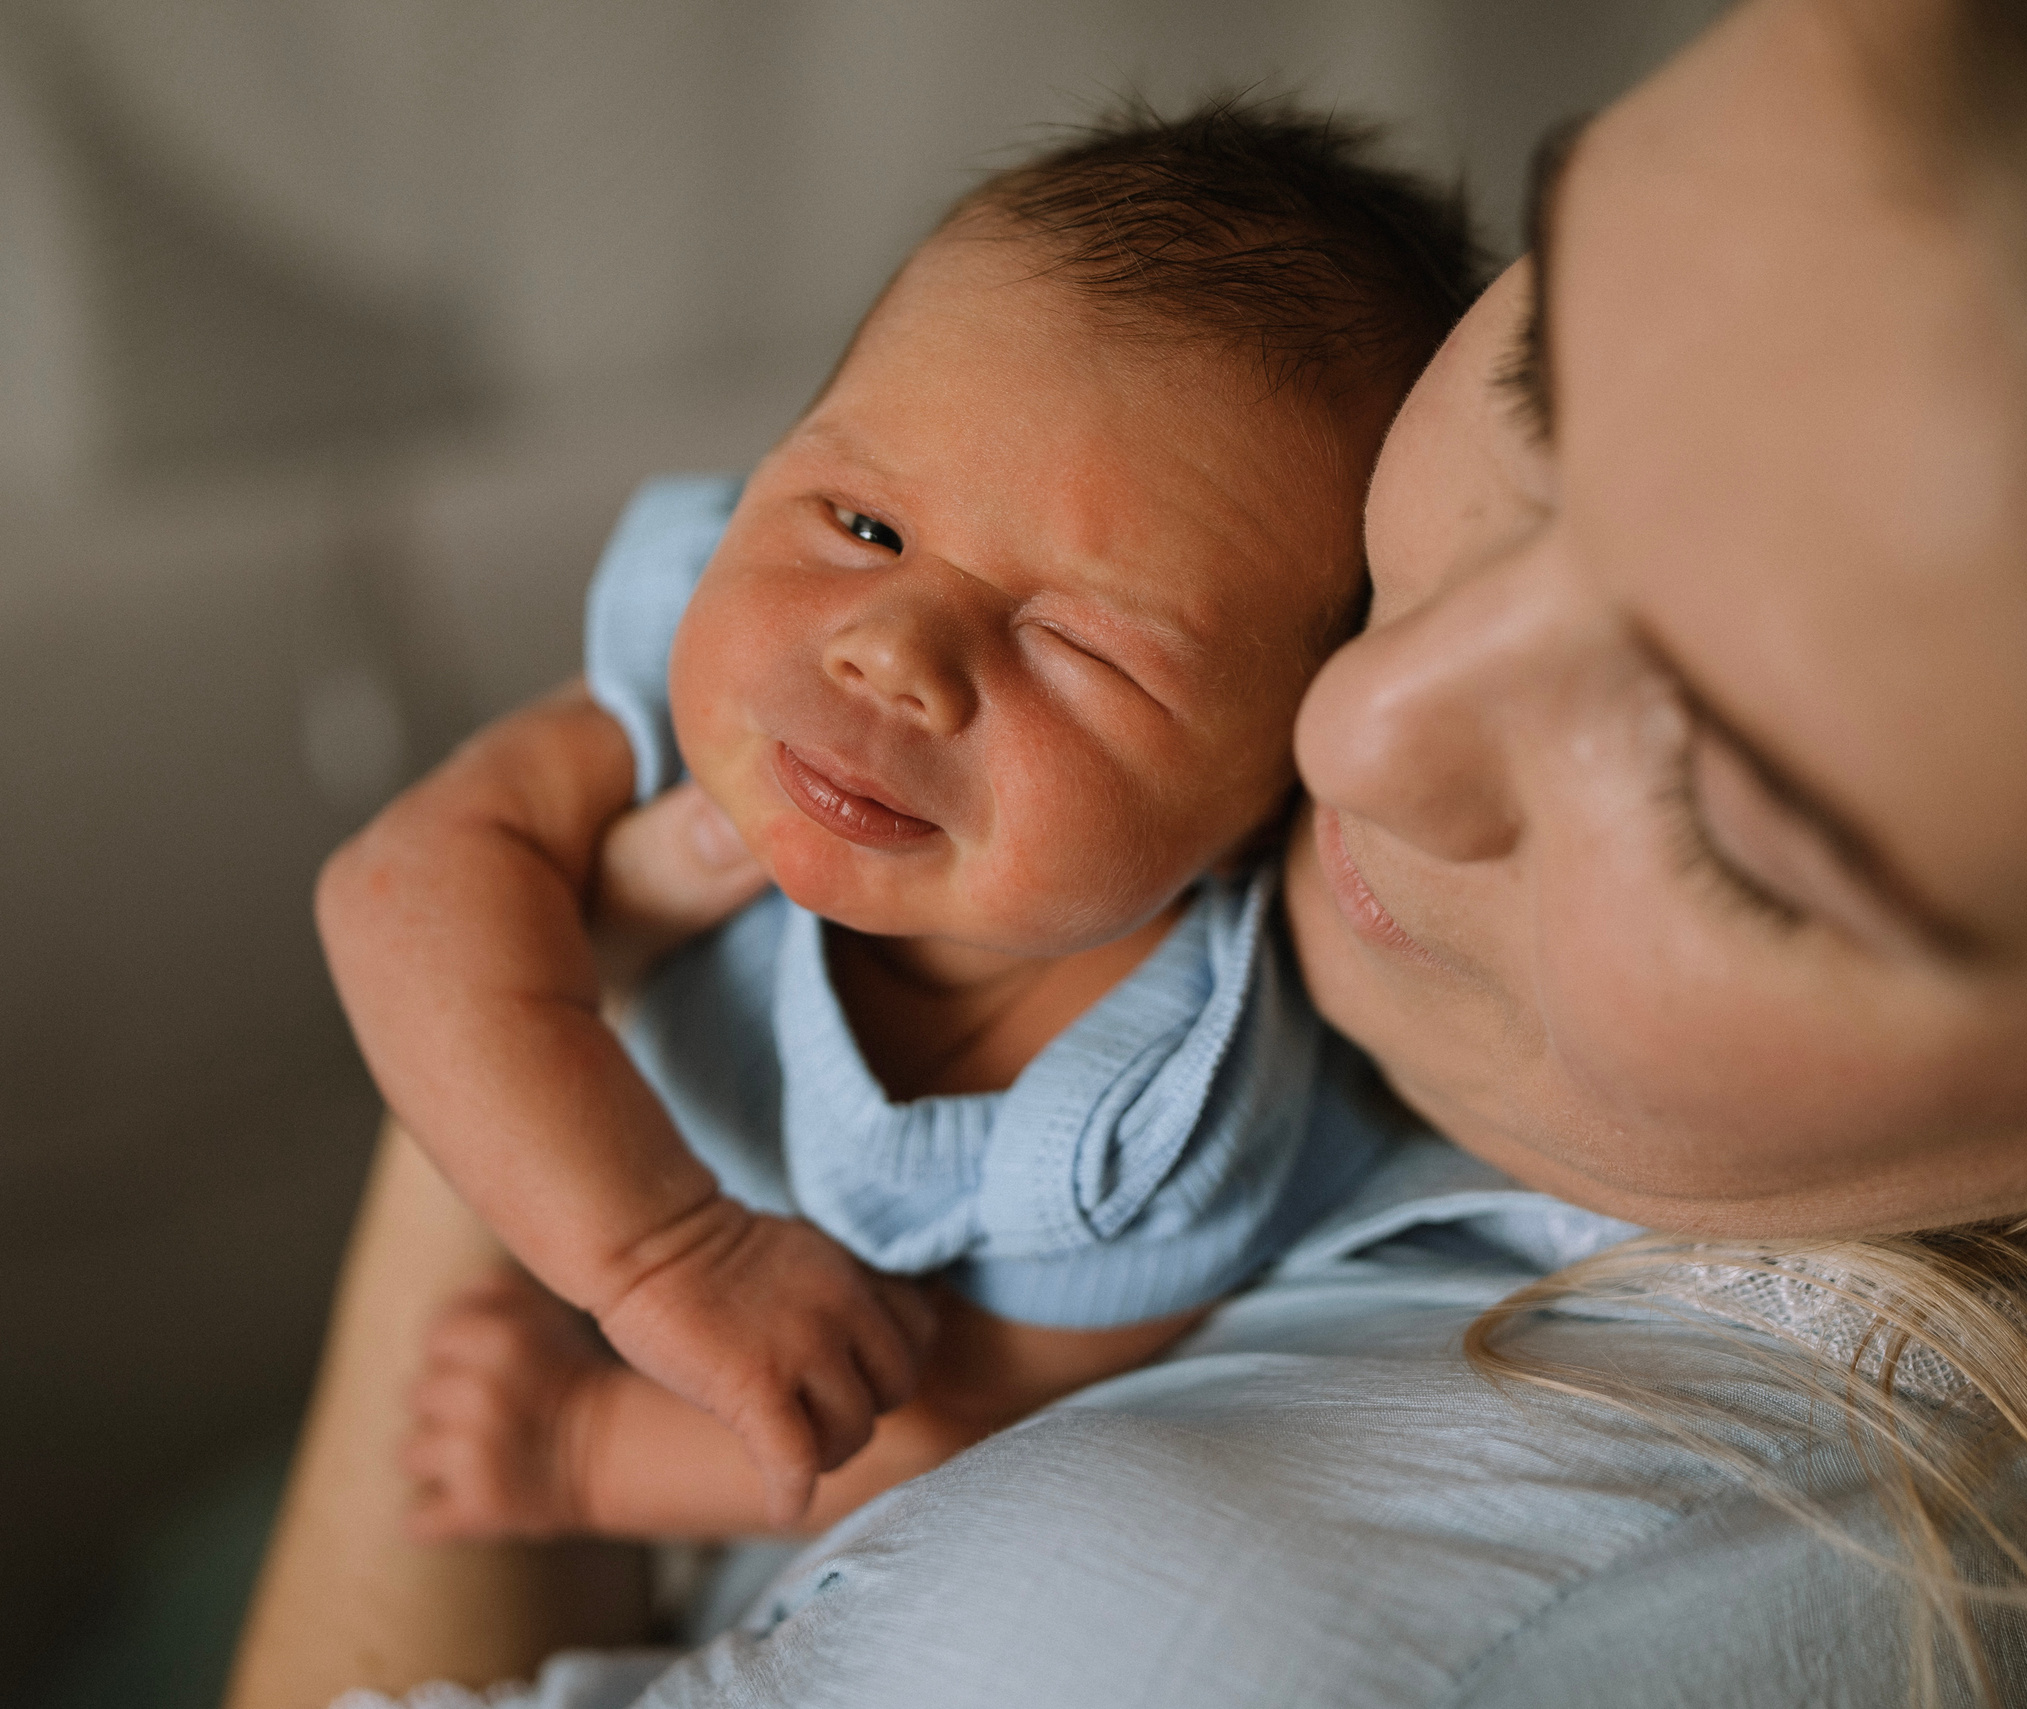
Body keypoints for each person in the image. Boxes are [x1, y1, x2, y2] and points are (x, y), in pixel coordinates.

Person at [228, 0, 2027, 1704]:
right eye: (1544, 380)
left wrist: (557, 1121)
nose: (1343, 718)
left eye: (1736, 803)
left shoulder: (1183, 1631)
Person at [312, 105, 1479, 1541]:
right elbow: (398, 886)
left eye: (1084, 651)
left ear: (1270, 806)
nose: (893, 651)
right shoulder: (700, 662)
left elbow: (960, 1423)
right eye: (862, 525)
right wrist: (662, 1251)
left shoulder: (1137, 1127)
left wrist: (582, 1449)